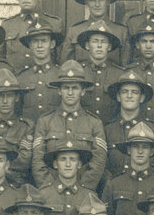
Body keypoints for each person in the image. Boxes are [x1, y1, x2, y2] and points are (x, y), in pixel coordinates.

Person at [26, 60, 109, 190]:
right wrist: (49, 189)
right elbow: (38, 160)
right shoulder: (45, 121)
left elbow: (98, 162)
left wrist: (84, 189)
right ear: (59, 91)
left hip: (84, 190)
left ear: (82, 91)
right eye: (66, 88)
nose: (70, 93)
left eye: (75, 88)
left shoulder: (94, 123)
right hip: (51, 191)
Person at [103, 69, 154, 173]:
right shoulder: (108, 129)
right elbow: (103, 165)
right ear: (118, 97)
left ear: (141, 98)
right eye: (124, 92)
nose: (129, 96)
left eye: (134, 92)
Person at [13, 16, 65, 124]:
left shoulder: (61, 75)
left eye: (44, 41)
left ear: (52, 44)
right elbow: (16, 113)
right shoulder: (21, 78)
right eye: (35, 41)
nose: (39, 46)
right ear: (30, 45)